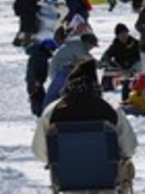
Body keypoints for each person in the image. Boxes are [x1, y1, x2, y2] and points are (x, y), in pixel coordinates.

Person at [31, 57, 137, 191]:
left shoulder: (52, 111)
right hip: (106, 178)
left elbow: (39, 151)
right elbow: (129, 147)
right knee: (125, 167)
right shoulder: (110, 108)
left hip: (66, 178)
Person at [43, 32, 99, 109]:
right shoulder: (77, 46)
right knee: (58, 92)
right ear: (87, 43)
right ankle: (47, 109)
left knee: (63, 92)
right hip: (60, 70)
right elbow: (86, 58)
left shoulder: (77, 45)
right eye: (92, 46)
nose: (92, 48)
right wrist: (100, 64)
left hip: (63, 70)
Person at [100, 23, 141, 98]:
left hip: (134, 68)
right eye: (121, 35)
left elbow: (142, 56)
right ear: (117, 36)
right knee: (107, 71)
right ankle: (107, 89)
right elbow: (106, 56)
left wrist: (132, 62)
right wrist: (108, 62)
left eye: (125, 34)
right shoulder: (115, 45)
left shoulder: (135, 43)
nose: (123, 36)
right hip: (120, 68)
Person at [25, 38, 58, 117]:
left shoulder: (39, 55)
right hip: (35, 81)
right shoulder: (39, 57)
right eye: (51, 50)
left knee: (38, 97)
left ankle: (40, 113)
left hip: (34, 80)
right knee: (38, 97)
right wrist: (37, 80)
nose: (52, 52)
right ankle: (40, 113)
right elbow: (35, 69)